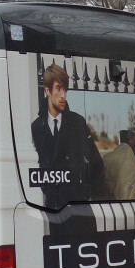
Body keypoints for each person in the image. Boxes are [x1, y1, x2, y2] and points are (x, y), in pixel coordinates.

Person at [30, 64, 105, 207]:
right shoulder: (37, 127)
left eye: (65, 89)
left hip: (79, 207)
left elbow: (96, 165)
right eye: (58, 88)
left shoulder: (78, 123)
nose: (63, 95)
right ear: (47, 91)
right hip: (54, 209)